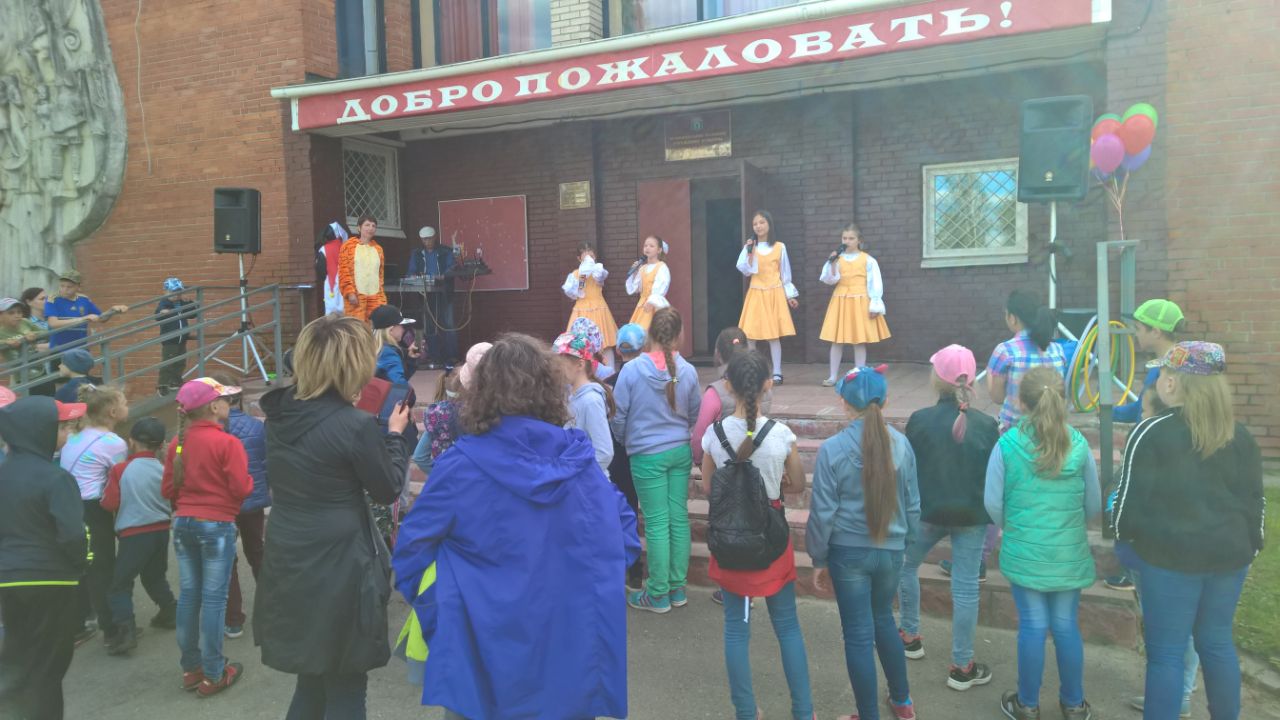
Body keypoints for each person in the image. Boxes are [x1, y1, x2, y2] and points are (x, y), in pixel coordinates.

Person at [392, 333, 640, 720]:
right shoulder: (579, 462)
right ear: (549, 389)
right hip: (565, 656)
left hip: (481, 656)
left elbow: (410, 553)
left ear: (481, 392)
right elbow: (623, 536)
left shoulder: (459, 466)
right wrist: (577, 586)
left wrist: (448, 608)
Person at [255, 314, 411, 719]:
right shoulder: (354, 425)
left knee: (311, 678)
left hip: (289, 552)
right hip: (341, 562)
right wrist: (395, 436)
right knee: (346, 683)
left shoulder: (279, 417)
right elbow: (387, 489)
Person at [1114, 341, 1263, 720]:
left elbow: (1127, 506)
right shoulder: (1240, 435)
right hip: (1230, 557)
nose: (1160, 379)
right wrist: (1252, 545)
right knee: (1216, 643)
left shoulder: (1150, 431)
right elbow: (1254, 502)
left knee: (1166, 653)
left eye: (1163, 372)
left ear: (1172, 383)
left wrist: (1124, 542)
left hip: (1168, 559)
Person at [699, 349, 813, 720]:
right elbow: (797, 484)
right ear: (767, 384)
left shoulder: (714, 435)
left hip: (730, 538)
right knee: (788, 626)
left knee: (736, 629)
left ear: (727, 386)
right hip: (771, 536)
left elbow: (709, 488)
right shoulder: (781, 435)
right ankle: (803, 711)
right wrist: (775, 481)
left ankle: (746, 712)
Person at [985, 366, 1100, 720]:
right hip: (1068, 551)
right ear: (1062, 400)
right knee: (1065, 625)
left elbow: (992, 503)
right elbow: (1093, 505)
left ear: (1021, 402)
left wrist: (1014, 526)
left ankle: (1027, 704)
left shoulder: (1007, 445)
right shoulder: (1078, 445)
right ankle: (1074, 704)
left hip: (1025, 550)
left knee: (1033, 625)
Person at [807, 365, 920, 720]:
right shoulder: (902, 445)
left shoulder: (832, 450)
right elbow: (913, 505)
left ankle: (868, 714)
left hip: (848, 553)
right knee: (884, 619)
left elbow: (822, 513)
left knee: (857, 634)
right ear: (884, 401)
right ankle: (902, 701)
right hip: (891, 549)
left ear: (844, 403)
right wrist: (906, 543)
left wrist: (818, 558)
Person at [897, 345, 999, 691]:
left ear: (936, 379)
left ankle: (910, 636)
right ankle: (962, 665)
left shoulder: (919, 420)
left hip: (927, 512)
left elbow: (908, 469)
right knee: (966, 587)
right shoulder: (987, 425)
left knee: (905, 565)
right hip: (972, 515)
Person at [162, 377, 253, 697]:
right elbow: (241, 488)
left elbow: (168, 489)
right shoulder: (227, 443)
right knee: (215, 600)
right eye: (225, 399)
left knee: (189, 596)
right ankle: (214, 672)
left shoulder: (177, 443)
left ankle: (192, 668)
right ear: (213, 407)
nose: (229, 403)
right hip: (216, 524)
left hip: (183, 522)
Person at [0, 397, 89, 720]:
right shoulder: (56, 478)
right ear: (39, 431)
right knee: (49, 666)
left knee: (19, 658)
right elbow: (73, 535)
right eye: (62, 428)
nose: (67, 434)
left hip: (8, 579)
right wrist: (79, 565)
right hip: (52, 579)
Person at [612, 307, 701, 613]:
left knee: (657, 523)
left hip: (646, 454)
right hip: (679, 450)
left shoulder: (632, 370)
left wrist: (627, 441)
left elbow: (618, 416)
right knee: (678, 518)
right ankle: (677, 588)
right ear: (680, 335)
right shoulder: (688, 370)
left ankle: (658, 593)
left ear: (650, 334)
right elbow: (694, 413)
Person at [99, 417, 177, 656]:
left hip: (134, 534)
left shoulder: (120, 469)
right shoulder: (163, 469)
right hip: (161, 531)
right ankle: (170, 612)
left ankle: (126, 632)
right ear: (161, 444)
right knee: (154, 576)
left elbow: (109, 503)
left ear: (130, 441)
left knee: (119, 585)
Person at [60, 383, 129, 649]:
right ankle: (112, 629)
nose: (127, 407)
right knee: (102, 568)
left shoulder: (75, 436)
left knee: (82, 564)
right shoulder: (113, 443)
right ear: (112, 411)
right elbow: (121, 478)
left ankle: (79, 623)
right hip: (93, 509)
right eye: (124, 403)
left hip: (71, 506)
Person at [212, 378, 268, 642]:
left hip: (222, 504)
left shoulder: (210, 431)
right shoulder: (257, 426)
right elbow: (266, 463)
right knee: (257, 551)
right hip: (252, 499)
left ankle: (233, 619)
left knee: (227, 559)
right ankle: (272, 609)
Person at [820, 223, 891, 386]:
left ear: (859, 240)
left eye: (851, 238)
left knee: (858, 340)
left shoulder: (868, 260)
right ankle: (832, 376)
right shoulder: (838, 258)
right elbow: (830, 280)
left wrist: (875, 303)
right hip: (841, 300)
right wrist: (832, 263)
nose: (847, 241)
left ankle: (859, 374)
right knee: (836, 340)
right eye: (844, 238)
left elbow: (875, 282)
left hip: (860, 300)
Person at [691, 326, 773, 467]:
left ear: (718, 354)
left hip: (722, 467)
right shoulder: (764, 389)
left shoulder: (714, 393)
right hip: (759, 464)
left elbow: (699, 436)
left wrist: (700, 462)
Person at [988, 290, 1066, 432]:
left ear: (1013, 318)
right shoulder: (1058, 350)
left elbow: (997, 397)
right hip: (1051, 430)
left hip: (1014, 431)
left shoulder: (1005, 351)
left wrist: (990, 372)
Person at [737, 210, 799, 385]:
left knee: (773, 335)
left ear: (769, 224)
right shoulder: (750, 247)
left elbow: (785, 273)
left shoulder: (780, 247)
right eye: (755, 223)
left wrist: (790, 295)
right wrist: (750, 253)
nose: (758, 226)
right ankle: (752, 370)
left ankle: (777, 372)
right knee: (751, 335)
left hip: (774, 293)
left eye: (762, 222)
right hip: (756, 293)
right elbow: (745, 270)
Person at [606, 322, 647, 590]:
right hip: (646, 448)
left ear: (619, 351)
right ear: (643, 348)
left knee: (626, 510)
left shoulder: (609, 384)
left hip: (619, 454)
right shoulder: (653, 379)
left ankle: (633, 570)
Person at [412, 342, 489, 478]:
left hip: (450, 481)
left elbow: (419, 457)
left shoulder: (437, 416)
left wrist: (442, 474)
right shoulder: (488, 414)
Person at [554, 327, 615, 476]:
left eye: (561, 364)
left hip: (588, 483)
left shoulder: (590, 401)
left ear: (580, 365)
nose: (557, 370)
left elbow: (604, 452)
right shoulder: (572, 396)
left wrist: (579, 476)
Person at [406, 225, 459, 368]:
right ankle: (435, 357)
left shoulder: (445, 251)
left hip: (444, 292)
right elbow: (411, 271)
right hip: (426, 294)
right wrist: (413, 276)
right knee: (429, 326)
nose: (427, 242)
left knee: (448, 324)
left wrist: (443, 276)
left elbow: (452, 268)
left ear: (435, 237)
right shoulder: (417, 253)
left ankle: (452, 357)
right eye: (424, 239)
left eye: (429, 239)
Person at [562, 242, 618, 369]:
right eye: (585, 257)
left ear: (595, 257)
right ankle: (585, 371)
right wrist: (583, 275)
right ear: (579, 259)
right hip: (582, 311)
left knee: (605, 342)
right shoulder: (575, 274)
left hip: (599, 309)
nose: (588, 259)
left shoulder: (598, 271)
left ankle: (609, 371)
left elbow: (600, 279)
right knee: (581, 345)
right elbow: (578, 292)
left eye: (591, 256)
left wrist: (592, 270)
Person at [44, 270, 128, 351]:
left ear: (78, 287)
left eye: (69, 287)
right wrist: (82, 319)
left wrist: (112, 310)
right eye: (62, 286)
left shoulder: (84, 299)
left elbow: (101, 318)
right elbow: (53, 323)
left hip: (81, 348)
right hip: (59, 349)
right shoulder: (52, 300)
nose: (64, 289)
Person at [338, 215, 388, 322]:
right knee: (357, 327)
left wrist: (381, 297)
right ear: (359, 227)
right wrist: (349, 293)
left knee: (376, 327)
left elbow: (380, 276)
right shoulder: (348, 246)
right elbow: (343, 272)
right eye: (367, 225)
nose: (371, 228)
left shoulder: (378, 249)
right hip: (356, 298)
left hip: (375, 297)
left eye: (373, 226)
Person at [155, 278, 196, 395]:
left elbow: (193, 314)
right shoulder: (164, 303)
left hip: (182, 339)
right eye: (173, 292)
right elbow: (158, 315)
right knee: (168, 363)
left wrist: (189, 302)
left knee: (180, 362)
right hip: (170, 340)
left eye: (178, 292)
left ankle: (175, 382)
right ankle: (162, 385)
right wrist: (162, 312)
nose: (176, 295)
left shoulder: (182, 302)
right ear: (166, 292)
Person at [625, 235, 671, 331]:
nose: (647, 248)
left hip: (654, 305)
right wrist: (635, 272)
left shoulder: (661, 267)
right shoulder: (642, 268)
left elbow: (659, 289)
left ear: (659, 250)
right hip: (642, 307)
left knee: (650, 332)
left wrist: (651, 301)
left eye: (651, 246)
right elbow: (637, 289)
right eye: (645, 245)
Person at [0, 296, 47, 388]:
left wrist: (34, 334)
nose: (17, 315)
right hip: (21, 376)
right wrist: (6, 342)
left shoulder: (24, 322)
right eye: (11, 313)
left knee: (48, 393)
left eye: (19, 312)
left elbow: (45, 332)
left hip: (39, 369)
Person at [315, 221, 348, 316]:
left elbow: (321, 270)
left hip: (330, 284)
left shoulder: (323, 249)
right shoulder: (346, 248)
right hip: (346, 283)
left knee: (332, 314)